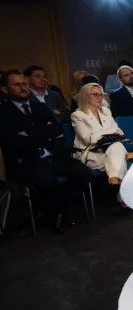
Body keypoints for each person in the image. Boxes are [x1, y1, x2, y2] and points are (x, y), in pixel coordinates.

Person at [0, 69, 93, 233]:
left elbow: (57, 128)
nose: (22, 88)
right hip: (27, 160)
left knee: (84, 172)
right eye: (16, 85)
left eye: (24, 84)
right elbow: (13, 142)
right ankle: (54, 216)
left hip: (54, 154)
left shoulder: (40, 107)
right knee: (46, 180)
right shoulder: (3, 112)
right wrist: (44, 132)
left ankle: (63, 210)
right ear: (5, 89)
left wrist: (29, 133)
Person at [70, 83, 128, 187]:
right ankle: (119, 188)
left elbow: (119, 132)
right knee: (119, 158)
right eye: (95, 94)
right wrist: (110, 131)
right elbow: (88, 139)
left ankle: (115, 182)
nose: (99, 97)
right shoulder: (77, 115)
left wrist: (109, 132)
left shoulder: (106, 111)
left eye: (101, 95)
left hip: (110, 149)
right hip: (90, 153)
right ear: (86, 96)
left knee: (117, 147)